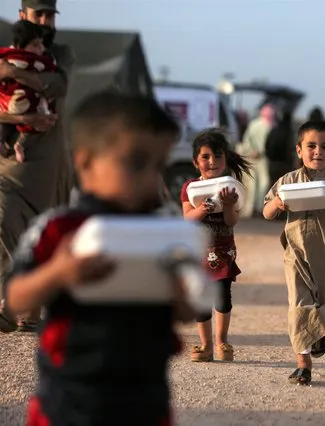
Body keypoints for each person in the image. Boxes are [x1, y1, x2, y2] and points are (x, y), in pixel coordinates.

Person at [3, 91, 194, 425]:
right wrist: (58, 274)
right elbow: (15, 295)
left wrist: (181, 292)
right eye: (136, 162)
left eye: (158, 165)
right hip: (68, 401)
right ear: (86, 161)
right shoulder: (59, 228)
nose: (152, 178)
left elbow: (189, 309)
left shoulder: (163, 231)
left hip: (145, 398)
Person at [263, 120, 325, 386]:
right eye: (311, 146)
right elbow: (266, 211)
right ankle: (303, 364)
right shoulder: (287, 181)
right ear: (299, 150)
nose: (317, 151)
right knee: (298, 305)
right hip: (296, 256)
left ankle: (321, 332)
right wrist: (278, 202)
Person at [0, 0, 75, 334]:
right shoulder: (7, 51)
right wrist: (22, 118)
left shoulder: (60, 53)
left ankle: (30, 311)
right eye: (38, 14)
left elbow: (56, 85)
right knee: (4, 222)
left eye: (49, 15)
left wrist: (12, 71)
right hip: (11, 160)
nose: (45, 21)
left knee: (46, 234)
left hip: (50, 162)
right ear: (22, 16)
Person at [180, 129, 252, 362]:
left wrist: (228, 205)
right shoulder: (190, 188)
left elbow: (232, 221)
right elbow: (187, 218)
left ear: (226, 159)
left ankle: (222, 342)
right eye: (206, 157)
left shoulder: (231, 187)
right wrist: (203, 208)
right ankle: (206, 345)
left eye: (218, 156)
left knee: (222, 296)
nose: (212, 162)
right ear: (195, 161)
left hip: (222, 252)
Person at [0, 19, 57, 163]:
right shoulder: (15, 59)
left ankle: (18, 145)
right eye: (35, 45)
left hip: (21, 103)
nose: (40, 49)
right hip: (13, 101)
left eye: (41, 44)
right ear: (20, 45)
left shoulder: (37, 62)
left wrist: (13, 72)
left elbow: (43, 85)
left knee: (31, 125)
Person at [238, 104, 274, 218]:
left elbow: (246, 140)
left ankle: (253, 209)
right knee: (261, 183)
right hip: (258, 158)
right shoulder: (269, 125)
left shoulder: (255, 124)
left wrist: (250, 151)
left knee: (255, 183)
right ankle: (257, 208)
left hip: (254, 157)